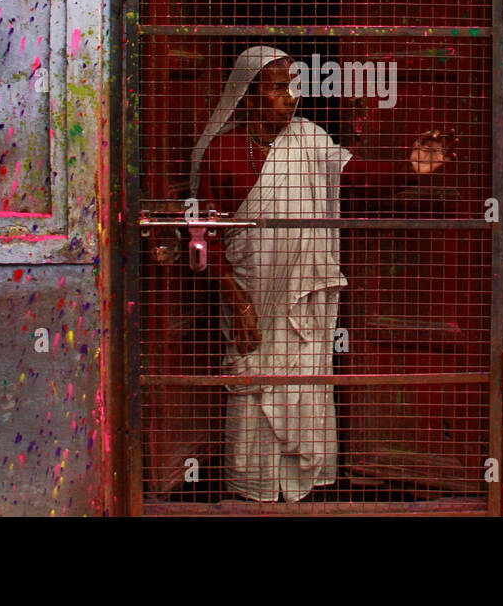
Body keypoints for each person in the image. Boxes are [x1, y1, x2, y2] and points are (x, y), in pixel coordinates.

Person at [189, 45, 456, 502]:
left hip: (304, 299)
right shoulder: (223, 151)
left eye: (294, 86)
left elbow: (355, 177)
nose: (291, 97)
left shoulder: (309, 140)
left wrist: (411, 169)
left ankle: (300, 491)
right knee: (253, 386)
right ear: (249, 96)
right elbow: (207, 238)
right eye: (278, 88)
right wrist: (239, 304)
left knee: (306, 383)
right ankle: (253, 493)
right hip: (251, 298)